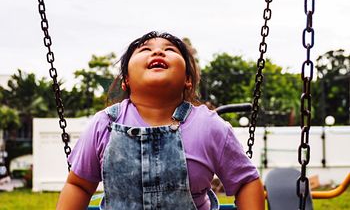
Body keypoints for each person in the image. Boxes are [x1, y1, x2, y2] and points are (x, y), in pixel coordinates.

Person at [56, 31, 265, 210]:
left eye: (171, 49)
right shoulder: (104, 125)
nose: (158, 51)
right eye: (145, 49)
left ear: (188, 80)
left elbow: (246, 182)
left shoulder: (209, 126)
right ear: (126, 80)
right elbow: (79, 186)